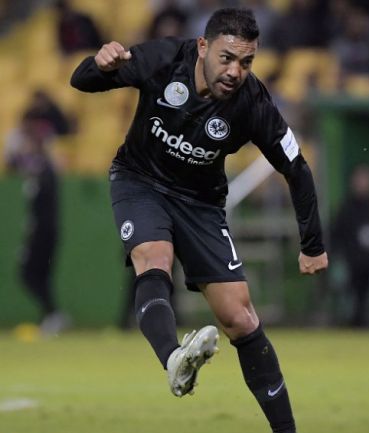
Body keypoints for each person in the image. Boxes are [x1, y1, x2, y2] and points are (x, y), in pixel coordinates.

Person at [70, 8, 328, 433]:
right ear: (203, 46)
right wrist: (98, 66)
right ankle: (174, 359)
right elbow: (80, 82)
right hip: (140, 180)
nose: (235, 71)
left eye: (246, 62)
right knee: (153, 257)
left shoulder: (253, 103)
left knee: (240, 319)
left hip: (201, 203)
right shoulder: (162, 59)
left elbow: (295, 167)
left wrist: (312, 243)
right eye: (227, 58)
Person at [4, 112, 69, 335]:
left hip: (44, 231)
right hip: (42, 230)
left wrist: (34, 232)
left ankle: (53, 314)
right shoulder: (39, 170)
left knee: (30, 273)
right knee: (38, 275)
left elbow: (45, 207)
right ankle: (50, 314)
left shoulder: (45, 171)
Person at [330, 164, 369, 327]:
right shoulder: (346, 208)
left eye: (366, 179)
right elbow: (336, 235)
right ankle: (356, 317)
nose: (362, 183)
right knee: (356, 272)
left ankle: (364, 315)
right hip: (352, 260)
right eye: (359, 179)